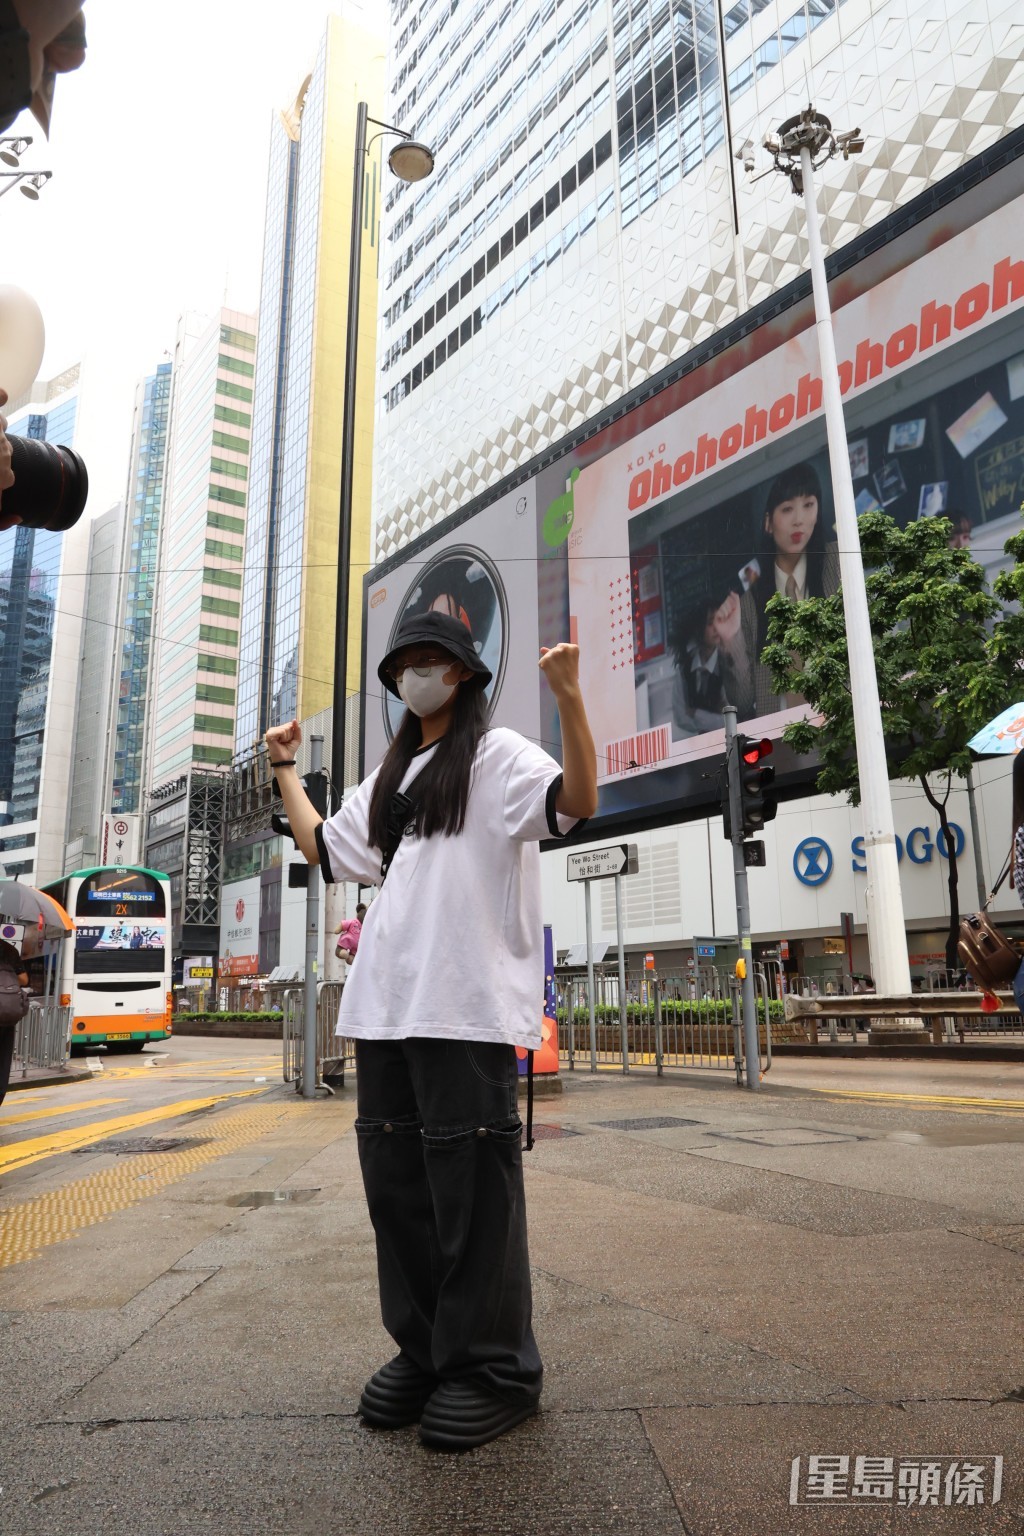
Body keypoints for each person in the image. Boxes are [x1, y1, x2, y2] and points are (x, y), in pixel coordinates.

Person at [265, 610, 597, 1450]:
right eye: (406, 663)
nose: (417, 674)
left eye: (432, 661)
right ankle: (423, 1349)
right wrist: (283, 770)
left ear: (464, 675)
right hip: (383, 1007)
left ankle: (495, 1368)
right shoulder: (389, 778)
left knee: (473, 1191)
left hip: (466, 1007)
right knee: (399, 1188)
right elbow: (321, 848)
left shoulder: (500, 755)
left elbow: (578, 805)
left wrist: (571, 702)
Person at [724, 463, 840, 719]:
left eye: (808, 504)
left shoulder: (837, 562)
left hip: (843, 722)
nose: (799, 519)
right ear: (768, 522)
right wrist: (731, 639)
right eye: (787, 509)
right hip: (784, 738)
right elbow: (742, 702)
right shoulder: (750, 598)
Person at [669, 591, 742, 738]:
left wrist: (695, 713)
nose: (716, 628)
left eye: (719, 620)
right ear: (699, 628)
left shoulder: (728, 663)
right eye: (710, 623)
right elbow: (680, 717)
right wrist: (713, 718)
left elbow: (731, 721)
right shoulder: (684, 666)